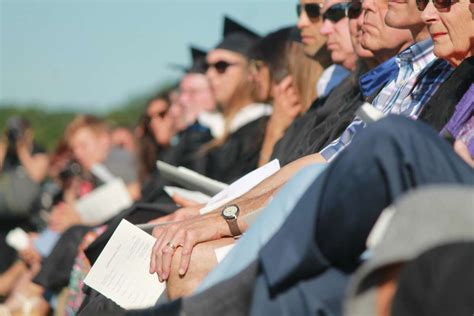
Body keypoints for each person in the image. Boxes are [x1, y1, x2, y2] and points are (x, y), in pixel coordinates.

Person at [194, 16, 272, 183]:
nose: (209, 75)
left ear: (251, 70)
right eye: (207, 67)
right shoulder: (217, 131)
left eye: (221, 66)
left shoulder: (264, 127)